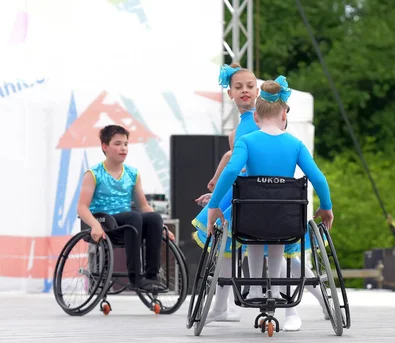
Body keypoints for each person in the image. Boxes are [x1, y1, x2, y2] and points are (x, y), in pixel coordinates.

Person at [206, 75, 334, 329]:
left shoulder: (246, 141)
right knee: (278, 239)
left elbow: (231, 172)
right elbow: (318, 177)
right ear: (284, 116)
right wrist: (326, 206)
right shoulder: (295, 144)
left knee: (253, 233)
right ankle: (274, 291)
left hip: (251, 214)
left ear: (256, 116)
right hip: (285, 216)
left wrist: (214, 206)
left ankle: (254, 290)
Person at [191, 62, 259, 323]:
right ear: (229, 92)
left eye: (250, 86)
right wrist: (218, 185)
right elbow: (235, 160)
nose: (244, 91)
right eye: (238, 87)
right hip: (245, 189)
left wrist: (219, 187)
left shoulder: (261, 118)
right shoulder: (241, 126)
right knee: (226, 248)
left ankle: (313, 301)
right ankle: (220, 306)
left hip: (261, 191)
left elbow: (243, 161)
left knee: (275, 249)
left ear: (257, 91)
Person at [77, 125, 174, 291]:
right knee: (133, 217)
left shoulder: (132, 174)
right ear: (104, 146)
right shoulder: (93, 174)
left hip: (127, 223)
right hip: (103, 220)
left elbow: (143, 205)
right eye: (117, 144)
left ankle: (151, 276)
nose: (123, 148)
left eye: (126, 144)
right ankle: (135, 277)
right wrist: (95, 225)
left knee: (154, 218)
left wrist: (162, 228)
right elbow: (81, 207)